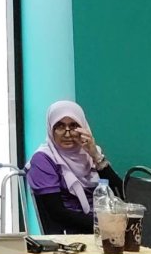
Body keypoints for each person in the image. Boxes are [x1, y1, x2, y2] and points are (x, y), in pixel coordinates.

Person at [26, 99, 122, 234]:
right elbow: (57, 213)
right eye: (60, 126)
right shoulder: (43, 159)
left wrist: (96, 156)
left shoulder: (90, 153)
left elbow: (121, 194)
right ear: (51, 129)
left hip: (104, 229)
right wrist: (104, 225)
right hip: (69, 235)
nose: (67, 134)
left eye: (73, 126)